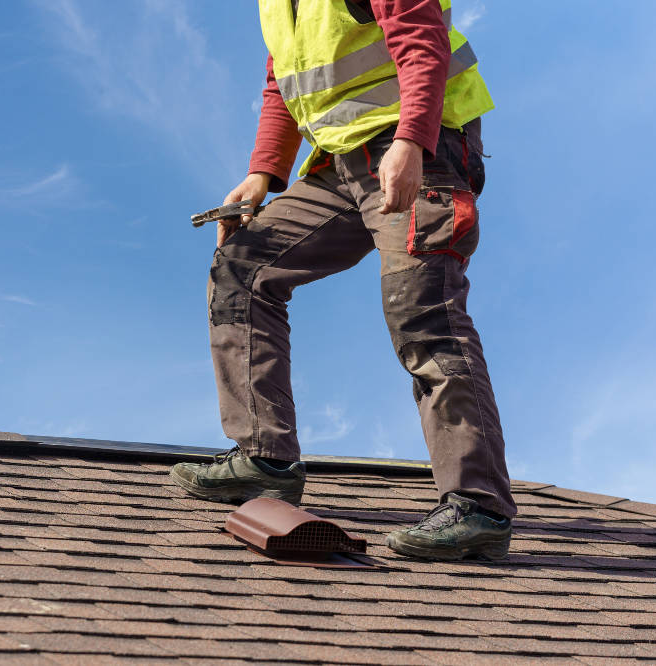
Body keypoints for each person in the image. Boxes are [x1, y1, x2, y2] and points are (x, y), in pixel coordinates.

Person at [170, 0, 517, 561]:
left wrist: (412, 139)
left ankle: (479, 507)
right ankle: (265, 458)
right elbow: (282, 83)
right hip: (342, 168)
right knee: (242, 266)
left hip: (420, 151)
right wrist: (262, 174)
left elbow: (422, 40)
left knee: (422, 310)